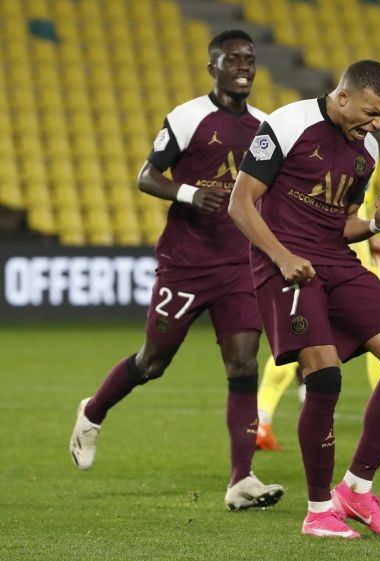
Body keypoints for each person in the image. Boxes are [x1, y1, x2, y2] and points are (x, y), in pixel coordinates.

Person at [68, 30, 284, 510]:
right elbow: (147, 176)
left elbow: (274, 192)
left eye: (250, 59)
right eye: (233, 60)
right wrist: (188, 193)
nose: (244, 67)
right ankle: (93, 411)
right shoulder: (188, 118)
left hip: (239, 263)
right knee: (153, 362)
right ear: (213, 68)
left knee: (244, 362)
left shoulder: (267, 127)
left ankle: (241, 480)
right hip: (186, 264)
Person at [229, 60, 380, 539]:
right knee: (324, 378)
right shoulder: (286, 124)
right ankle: (318, 510)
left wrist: (379, 224)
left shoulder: (368, 148)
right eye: (370, 112)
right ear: (342, 97)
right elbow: (241, 202)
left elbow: (342, 223)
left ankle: (356, 491)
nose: (376, 123)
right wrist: (280, 257)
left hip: (336, 260)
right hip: (285, 266)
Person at [255, 231, 380, 451]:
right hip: (339, 264)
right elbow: (336, 211)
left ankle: (261, 421)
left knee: (305, 342)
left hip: (335, 259)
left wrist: (370, 238)